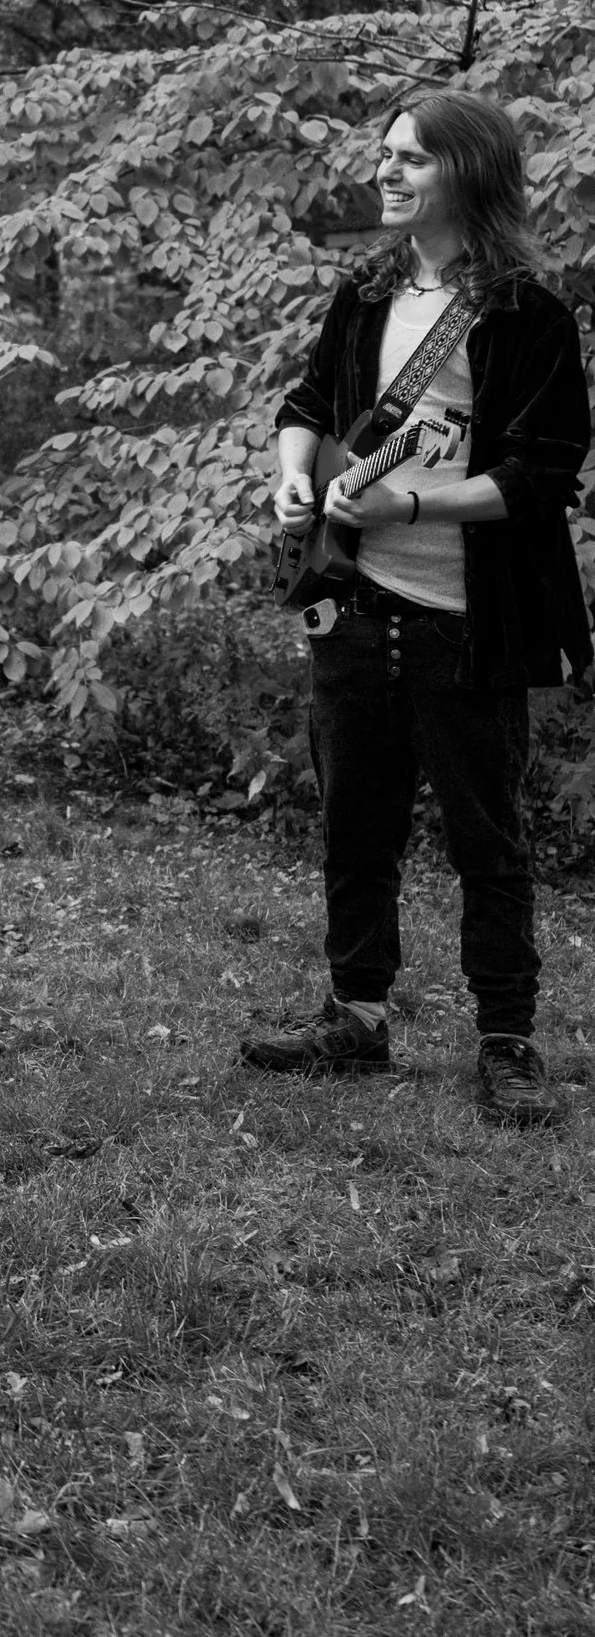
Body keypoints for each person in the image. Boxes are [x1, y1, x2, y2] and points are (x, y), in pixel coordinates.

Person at [247, 91, 589, 1126]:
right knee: (356, 821)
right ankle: (352, 1013)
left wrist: (408, 499)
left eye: (413, 159)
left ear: (468, 174)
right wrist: (291, 478)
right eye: (385, 155)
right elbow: (306, 405)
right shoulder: (362, 291)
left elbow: (540, 475)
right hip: (352, 605)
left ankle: (506, 1040)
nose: (388, 173)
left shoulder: (527, 312)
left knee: (486, 838)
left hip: (467, 614)